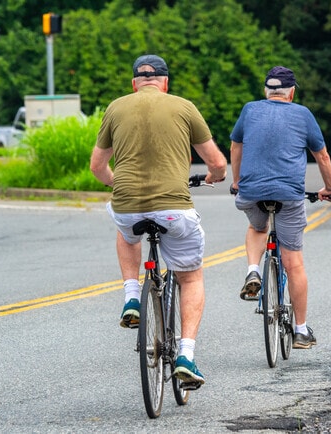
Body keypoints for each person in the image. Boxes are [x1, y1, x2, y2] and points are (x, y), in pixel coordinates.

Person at [90, 54, 227, 385]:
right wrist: (213, 176)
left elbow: (97, 167)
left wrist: (118, 184)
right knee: (190, 278)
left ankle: (131, 297)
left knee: (126, 233)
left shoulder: (115, 107)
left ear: (134, 83)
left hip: (127, 206)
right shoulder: (184, 107)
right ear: (165, 83)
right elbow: (217, 162)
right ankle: (186, 356)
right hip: (173, 209)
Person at [229, 66, 331, 350]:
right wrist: (330, 188)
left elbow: (236, 146)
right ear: (291, 92)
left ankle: (253, 269)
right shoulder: (302, 114)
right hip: (289, 196)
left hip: (251, 192)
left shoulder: (250, 110)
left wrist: (237, 181)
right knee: (294, 262)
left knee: (257, 227)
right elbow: (322, 156)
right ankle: (300, 330)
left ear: (266, 91)